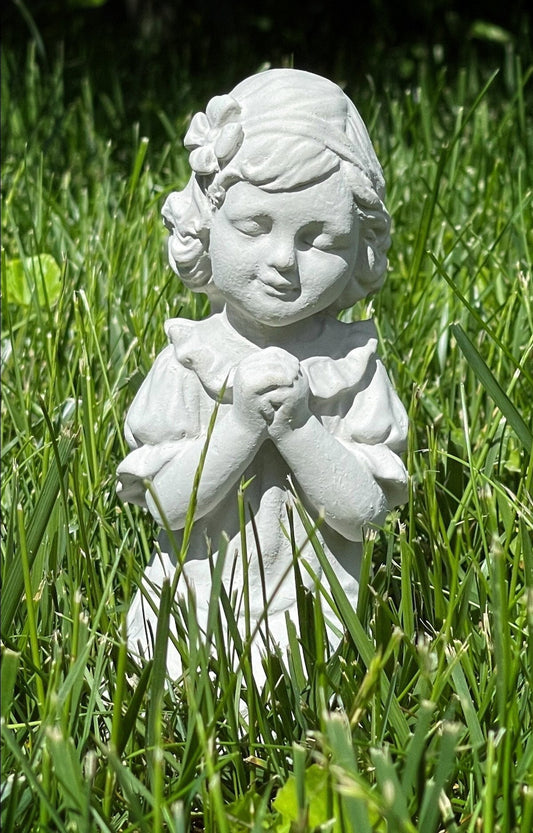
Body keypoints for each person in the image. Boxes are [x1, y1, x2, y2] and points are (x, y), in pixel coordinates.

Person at [117, 68, 408, 681]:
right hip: (198, 599)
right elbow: (168, 506)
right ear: (203, 225)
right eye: (254, 227)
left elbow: (365, 514)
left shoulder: (352, 368)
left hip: (318, 611)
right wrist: (241, 426)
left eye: (319, 238)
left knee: (311, 676)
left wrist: (301, 428)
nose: (282, 260)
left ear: (361, 246)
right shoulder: (188, 361)